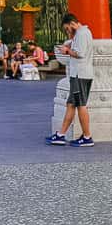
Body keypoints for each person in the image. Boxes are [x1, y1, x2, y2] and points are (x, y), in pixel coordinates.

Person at [46, 12, 95, 147]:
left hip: (80, 74)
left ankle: (87, 136)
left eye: (67, 28)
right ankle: (61, 135)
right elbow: (74, 45)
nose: (67, 31)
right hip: (79, 74)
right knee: (71, 104)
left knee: (81, 105)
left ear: (72, 23)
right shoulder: (81, 34)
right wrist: (69, 40)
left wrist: (67, 51)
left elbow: (80, 54)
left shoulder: (82, 34)